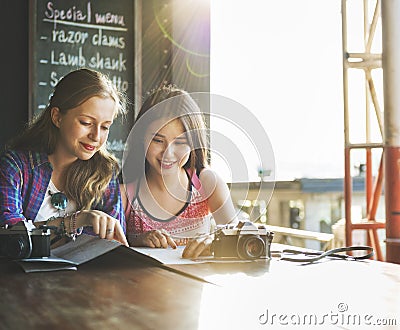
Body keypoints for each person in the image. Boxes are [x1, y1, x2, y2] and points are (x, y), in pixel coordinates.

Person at [0, 68, 128, 247]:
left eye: (105, 127)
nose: (96, 136)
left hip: (88, 275)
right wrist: (78, 220)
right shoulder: (15, 166)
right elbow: (10, 238)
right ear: (57, 117)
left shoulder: (105, 172)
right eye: (86, 123)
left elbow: (112, 242)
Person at [120, 85, 237, 258]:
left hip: (199, 282)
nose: (168, 153)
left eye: (180, 142)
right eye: (158, 140)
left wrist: (215, 241)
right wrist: (136, 240)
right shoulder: (125, 194)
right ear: (141, 137)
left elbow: (238, 235)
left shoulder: (206, 183)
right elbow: (107, 249)